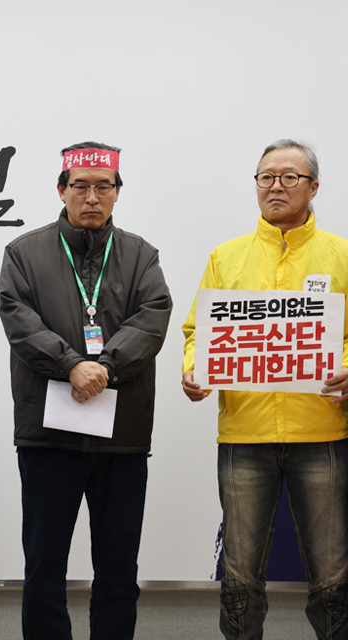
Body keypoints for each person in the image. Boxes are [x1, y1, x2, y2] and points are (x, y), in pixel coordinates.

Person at [0, 142, 171, 639]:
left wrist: (105, 367)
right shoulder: (24, 253)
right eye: (80, 186)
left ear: (117, 193)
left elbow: (152, 318)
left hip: (122, 436)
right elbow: (19, 320)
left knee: (118, 566)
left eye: (103, 186)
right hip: (47, 435)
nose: (91, 197)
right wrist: (71, 364)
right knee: (43, 565)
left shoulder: (141, 255)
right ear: (61, 190)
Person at [182, 139, 348, 640]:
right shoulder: (226, 256)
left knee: (332, 572)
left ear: (313, 187)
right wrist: (194, 371)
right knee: (239, 574)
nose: (276, 186)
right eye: (266, 177)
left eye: (289, 177)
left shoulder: (341, 254)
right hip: (244, 433)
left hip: (322, 432)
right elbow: (197, 332)